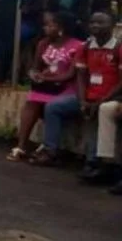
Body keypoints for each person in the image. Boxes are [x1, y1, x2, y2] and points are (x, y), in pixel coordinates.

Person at [31, 12, 121, 168]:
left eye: (101, 22)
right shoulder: (85, 47)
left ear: (113, 26)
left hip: (110, 98)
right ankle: (50, 151)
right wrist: (82, 100)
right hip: (87, 96)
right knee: (53, 107)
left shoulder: (118, 48)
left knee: (98, 113)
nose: (96, 26)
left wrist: (102, 100)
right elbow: (80, 77)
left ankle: (93, 161)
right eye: (93, 22)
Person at [5, 11, 83, 161]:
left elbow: (70, 74)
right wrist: (34, 75)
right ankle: (21, 146)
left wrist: (45, 78)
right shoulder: (43, 43)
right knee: (32, 100)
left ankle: (46, 146)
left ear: (61, 27)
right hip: (46, 85)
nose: (45, 28)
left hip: (66, 86)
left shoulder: (78, 46)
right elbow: (36, 67)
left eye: (49, 25)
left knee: (48, 103)